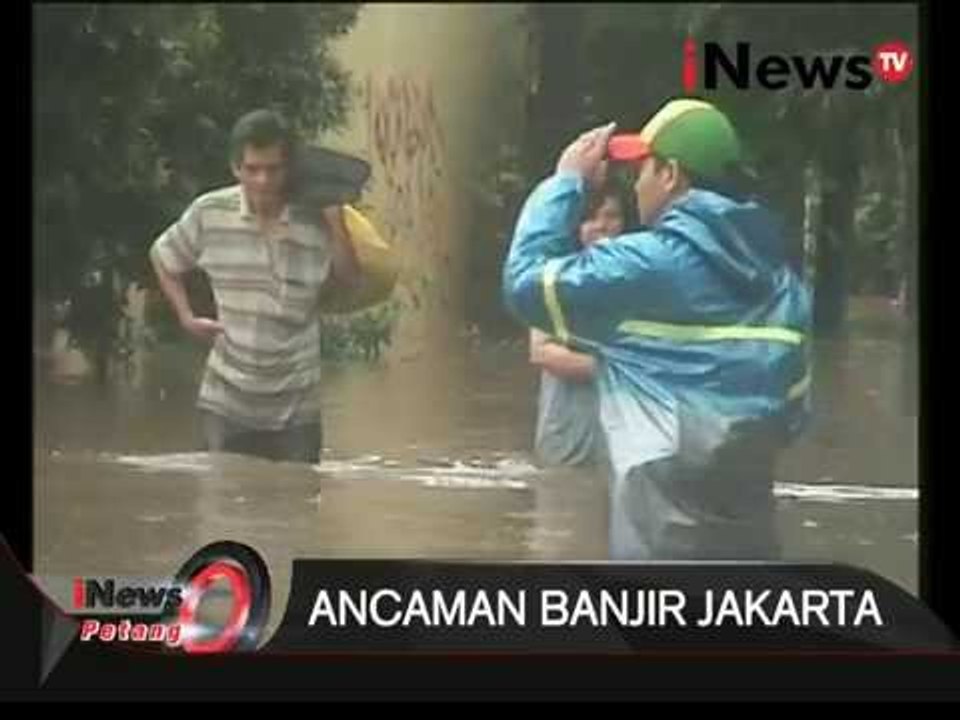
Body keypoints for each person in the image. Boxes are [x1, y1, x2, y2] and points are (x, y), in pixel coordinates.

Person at [502, 99, 813, 560]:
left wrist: (564, 182)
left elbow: (527, 284)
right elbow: (793, 416)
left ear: (670, 175)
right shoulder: (785, 287)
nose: (638, 184)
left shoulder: (642, 265)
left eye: (644, 169)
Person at [150, 109, 360, 464]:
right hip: (225, 402)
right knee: (219, 512)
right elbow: (163, 256)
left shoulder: (317, 219)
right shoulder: (210, 212)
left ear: (289, 169)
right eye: (252, 169)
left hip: (297, 409)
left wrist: (335, 221)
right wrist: (186, 317)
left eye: (273, 169)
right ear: (236, 168)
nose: (262, 180)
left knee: (296, 510)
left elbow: (352, 282)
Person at [531, 182, 628, 467]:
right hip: (566, 432)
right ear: (575, 226)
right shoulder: (554, 278)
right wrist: (616, 370)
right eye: (591, 217)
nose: (602, 225)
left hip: (622, 437)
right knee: (561, 502)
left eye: (611, 216)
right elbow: (541, 352)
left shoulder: (637, 279)